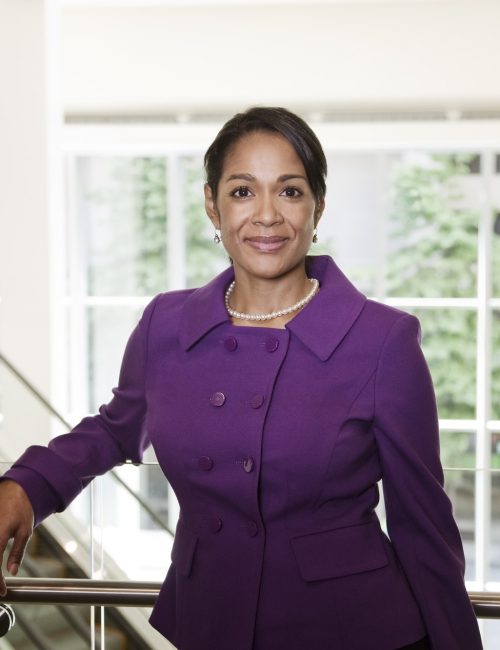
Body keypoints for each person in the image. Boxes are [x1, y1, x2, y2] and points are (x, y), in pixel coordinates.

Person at [0, 107, 482, 650]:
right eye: (243, 191)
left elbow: (424, 526)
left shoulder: (382, 340)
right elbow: (117, 429)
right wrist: (26, 485)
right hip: (212, 622)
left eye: (291, 191)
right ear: (212, 204)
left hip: (353, 630)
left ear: (318, 206)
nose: (268, 215)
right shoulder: (166, 323)